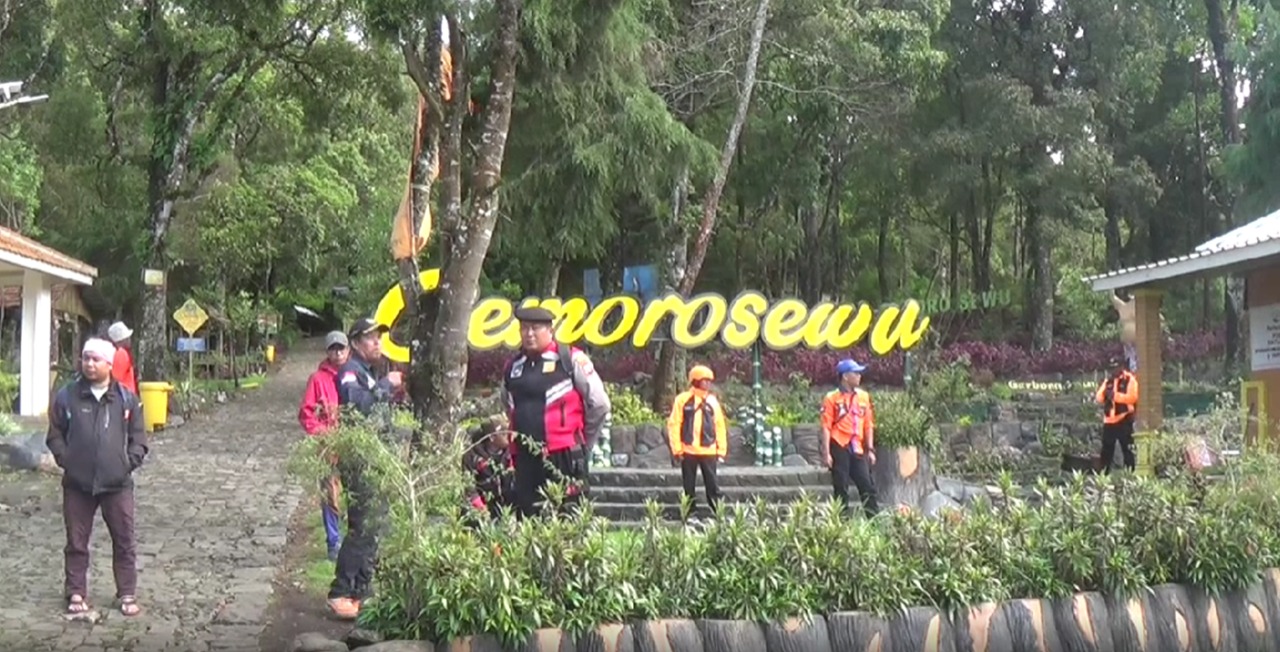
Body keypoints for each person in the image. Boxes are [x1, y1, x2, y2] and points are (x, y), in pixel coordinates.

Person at [46, 338, 148, 617]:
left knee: (124, 539)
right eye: (85, 358)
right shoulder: (67, 396)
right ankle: (76, 591)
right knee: (76, 541)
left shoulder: (126, 399)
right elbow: (55, 433)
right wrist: (67, 460)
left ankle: (127, 592)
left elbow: (139, 439)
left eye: (96, 359)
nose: (89, 364)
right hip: (78, 484)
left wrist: (128, 462)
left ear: (109, 364)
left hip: (117, 484)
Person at [501, 306, 611, 518]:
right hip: (524, 457)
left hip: (564, 456)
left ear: (549, 330)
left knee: (567, 516)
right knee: (528, 519)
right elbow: (507, 404)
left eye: (535, 328)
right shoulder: (513, 366)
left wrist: (582, 442)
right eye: (524, 328)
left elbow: (599, 404)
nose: (529, 334)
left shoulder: (570, 360)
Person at [327, 318, 403, 620]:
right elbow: (359, 409)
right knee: (362, 527)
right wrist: (386, 386)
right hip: (360, 461)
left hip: (375, 458)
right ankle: (341, 591)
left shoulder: (368, 373)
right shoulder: (350, 372)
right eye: (371, 338)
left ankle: (361, 590)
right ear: (356, 343)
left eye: (379, 338)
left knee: (374, 527)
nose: (377, 343)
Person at [298, 331, 350, 561]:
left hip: (355, 444)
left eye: (341, 348)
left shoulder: (356, 373)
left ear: (348, 349)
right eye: (333, 349)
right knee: (330, 496)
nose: (338, 353)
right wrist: (323, 434)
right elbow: (306, 413)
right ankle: (333, 542)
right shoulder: (318, 379)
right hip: (328, 447)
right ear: (327, 352)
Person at [820, 359, 879, 517]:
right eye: (856, 373)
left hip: (857, 447)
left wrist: (870, 449)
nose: (859, 376)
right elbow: (826, 426)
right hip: (839, 445)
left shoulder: (864, 397)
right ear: (845, 376)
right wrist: (827, 453)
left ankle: (874, 522)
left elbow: (868, 424)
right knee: (841, 488)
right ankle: (841, 525)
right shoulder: (832, 398)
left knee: (867, 486)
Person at [667, 365, 728, 514]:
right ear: (695, 381)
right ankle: (690, 514)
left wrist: (721, 450)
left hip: (709, 450)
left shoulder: (712, 401)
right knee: (688, 486)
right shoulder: (682, 400)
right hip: (688, 450)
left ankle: (718, 513)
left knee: (712, 485)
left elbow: (719, 425)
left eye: (709, 381)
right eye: (704, 380)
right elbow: (674, 424)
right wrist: (677, 449)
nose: (707, 384)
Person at [463, 422, 515, 525]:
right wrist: (481, 509)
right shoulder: (472, 456)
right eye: (504, 434)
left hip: (505, 508)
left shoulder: (511, 453)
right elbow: (469, 487)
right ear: (492, 437)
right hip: (482, 508)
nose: (509, 437)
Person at [1096, 357, 1139, 473]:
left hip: (1124, 419)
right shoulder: (1108, 380)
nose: (1113, 371)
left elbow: (1133, 397)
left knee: (1127, 449)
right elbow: (1099, 398)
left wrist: (1115, 396)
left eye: (1115, 368)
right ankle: (1103, 475)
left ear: (1121, 367)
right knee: (1106, 450)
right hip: (1109, 420)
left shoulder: (1130, 379)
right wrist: (1105, 393)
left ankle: (1130, 473)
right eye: (1111, 368)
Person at [106, 321, 137, 394]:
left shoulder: (117, 352)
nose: (129, 339)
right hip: (124, 396)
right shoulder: (121, 353)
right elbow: (116, 378)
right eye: (127, 338)